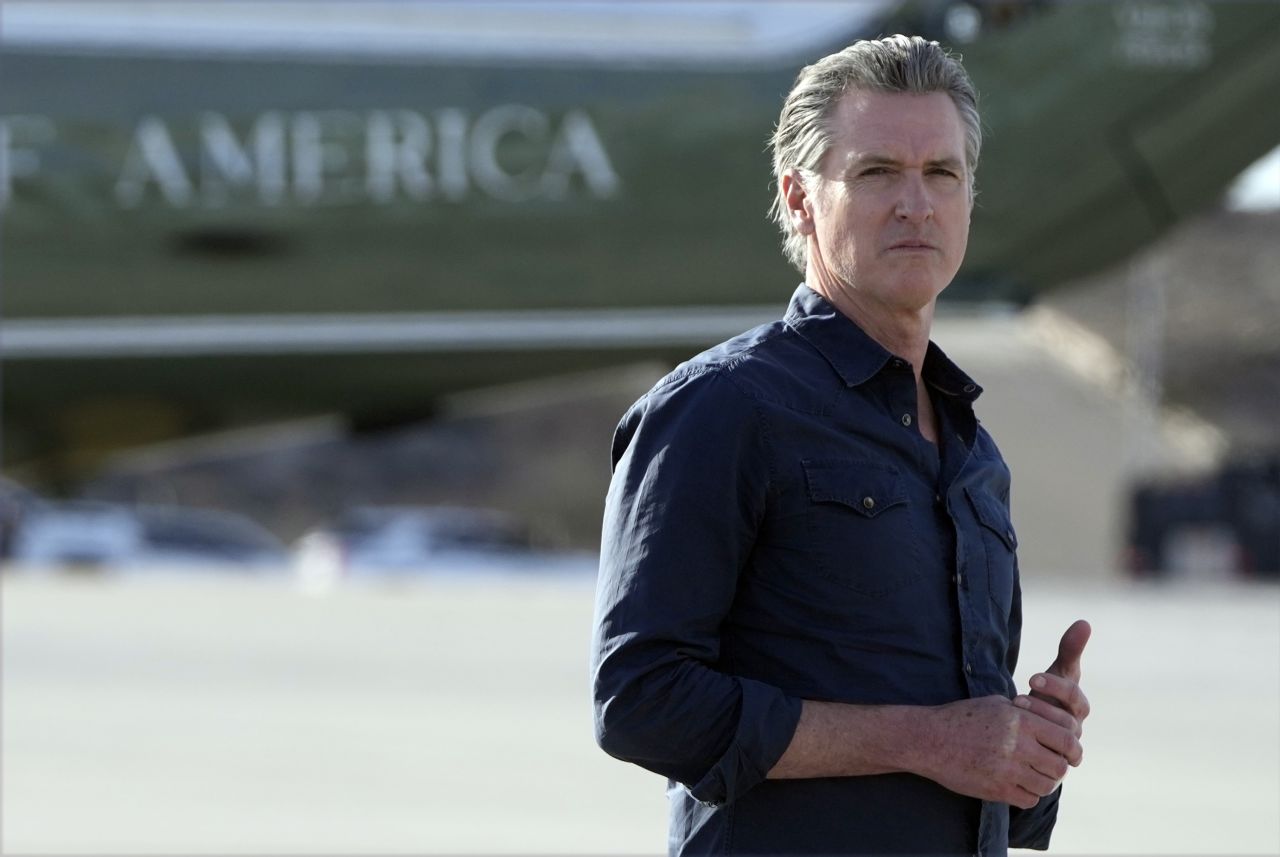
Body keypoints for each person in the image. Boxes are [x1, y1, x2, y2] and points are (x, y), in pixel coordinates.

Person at [590, 35, 1092, 856]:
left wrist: (1027, 750)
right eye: (876, 171)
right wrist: (924, 738)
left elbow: (968, 760)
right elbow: (641, 700)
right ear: (798, 198)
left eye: (941, 173)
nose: (916, 203)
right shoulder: (722, 407)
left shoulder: (974, 453)